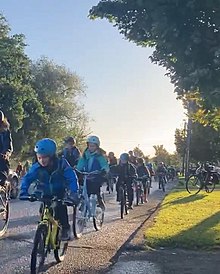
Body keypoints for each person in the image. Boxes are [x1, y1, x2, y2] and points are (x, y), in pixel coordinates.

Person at [19, 138, 79, 241]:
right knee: (43, 210)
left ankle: (65, 228)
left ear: (51, 156)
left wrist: (74, 193)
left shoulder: (61, 164)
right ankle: (43, 232)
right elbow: (27, 178)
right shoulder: (36, 167)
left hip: (59, 191)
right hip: (43, 191)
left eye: (45, 157)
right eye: (39, 157)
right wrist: (23, 191)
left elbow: (71, 177)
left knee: (60, 208)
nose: (42, 160)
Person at [76, 135, 109, 211]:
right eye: (90, 146)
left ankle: (100, 201)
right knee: (84, 190)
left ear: (97, 147)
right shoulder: (85, 155)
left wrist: (103, 170)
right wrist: (77, 170)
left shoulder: (100, 156)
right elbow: (81, 164)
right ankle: (84, 204)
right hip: (87, 175)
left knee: (95, 189)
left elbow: (104, 165)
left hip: (97, 175)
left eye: (93, 146)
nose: (91, 148)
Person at [0, 111, 13, 186]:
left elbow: (9, 147)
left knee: (3, 177)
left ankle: (4, 192)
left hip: (2, 160)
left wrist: (6, 154)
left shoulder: (6, 132)